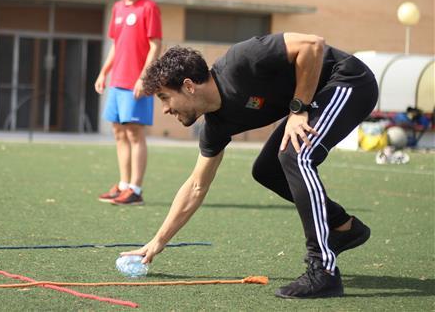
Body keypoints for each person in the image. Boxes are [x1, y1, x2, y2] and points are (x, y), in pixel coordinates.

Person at [121, 33, 377, 298]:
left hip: (348, 81)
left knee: (295, 155)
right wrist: (157, 241)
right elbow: (197, 185)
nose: (164, 109)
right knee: (267, 171)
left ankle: (323, 271)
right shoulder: (216, 126)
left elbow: (312, 45)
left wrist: (299, 109)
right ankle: (343, 227)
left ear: (188, 86)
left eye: (164, 97)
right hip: (318, 99)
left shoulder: (242, 60)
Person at [94, 0, 162, 206]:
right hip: (117, 82)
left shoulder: (149, 8)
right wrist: (104, 72)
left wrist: (144, 78)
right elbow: (116, 44)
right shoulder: (117, 9)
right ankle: (123, 185)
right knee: (118, 132)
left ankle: (135, 189)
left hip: (137, 82)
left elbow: (155, 44)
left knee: (135, 134)